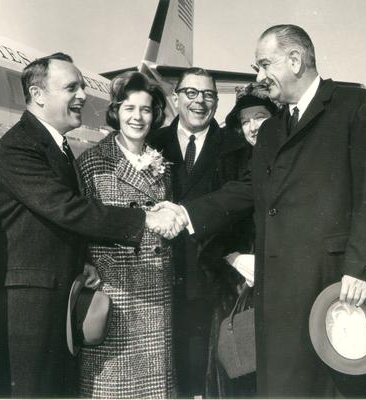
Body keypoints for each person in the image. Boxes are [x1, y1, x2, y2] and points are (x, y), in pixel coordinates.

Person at [154, 24, 366, 397]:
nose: (259, 77)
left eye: (264, 65)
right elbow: (249, 189)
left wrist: (360, 268)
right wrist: (186, 213)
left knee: (328, 387)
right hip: (276, 286)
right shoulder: (272, 131)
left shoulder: (357, 106)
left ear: (295, 60)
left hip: (331, 282)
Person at [0, 53, 184, 397]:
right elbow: (67, 208)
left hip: (57, 293)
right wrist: (145, 218)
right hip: (27, 304)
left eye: (82, 87)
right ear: (39, 94)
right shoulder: (19, 146)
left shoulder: (54, 146)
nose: (83, 96)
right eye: (71, 87)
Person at [77, 71, 176, 397]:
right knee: (114, 386)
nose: (137, 117)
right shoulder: (93, 162)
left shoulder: (160, 162)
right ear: (116, 111)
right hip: (115, 293)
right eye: (129, 108)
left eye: (146, 110)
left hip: (155, 291)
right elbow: (80, 223)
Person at [150, 67, 248, 397]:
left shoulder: (236, 148)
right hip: (157, 276)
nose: (199, 101)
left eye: (208, 95)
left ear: (217, 103)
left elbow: (245, 202)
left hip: (212, 280)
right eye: (191, 93)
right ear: (175, 98)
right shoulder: (152, 143)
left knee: (202, 371)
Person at [204, 84, 278, 398]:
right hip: (237, 287)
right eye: (245, 120)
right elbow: (211, 222)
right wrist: (232, 257)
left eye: (260, 116)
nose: (252, 126)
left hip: (282, 282)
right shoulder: (228, 163)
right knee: (238, 369)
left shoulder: (295, 159)